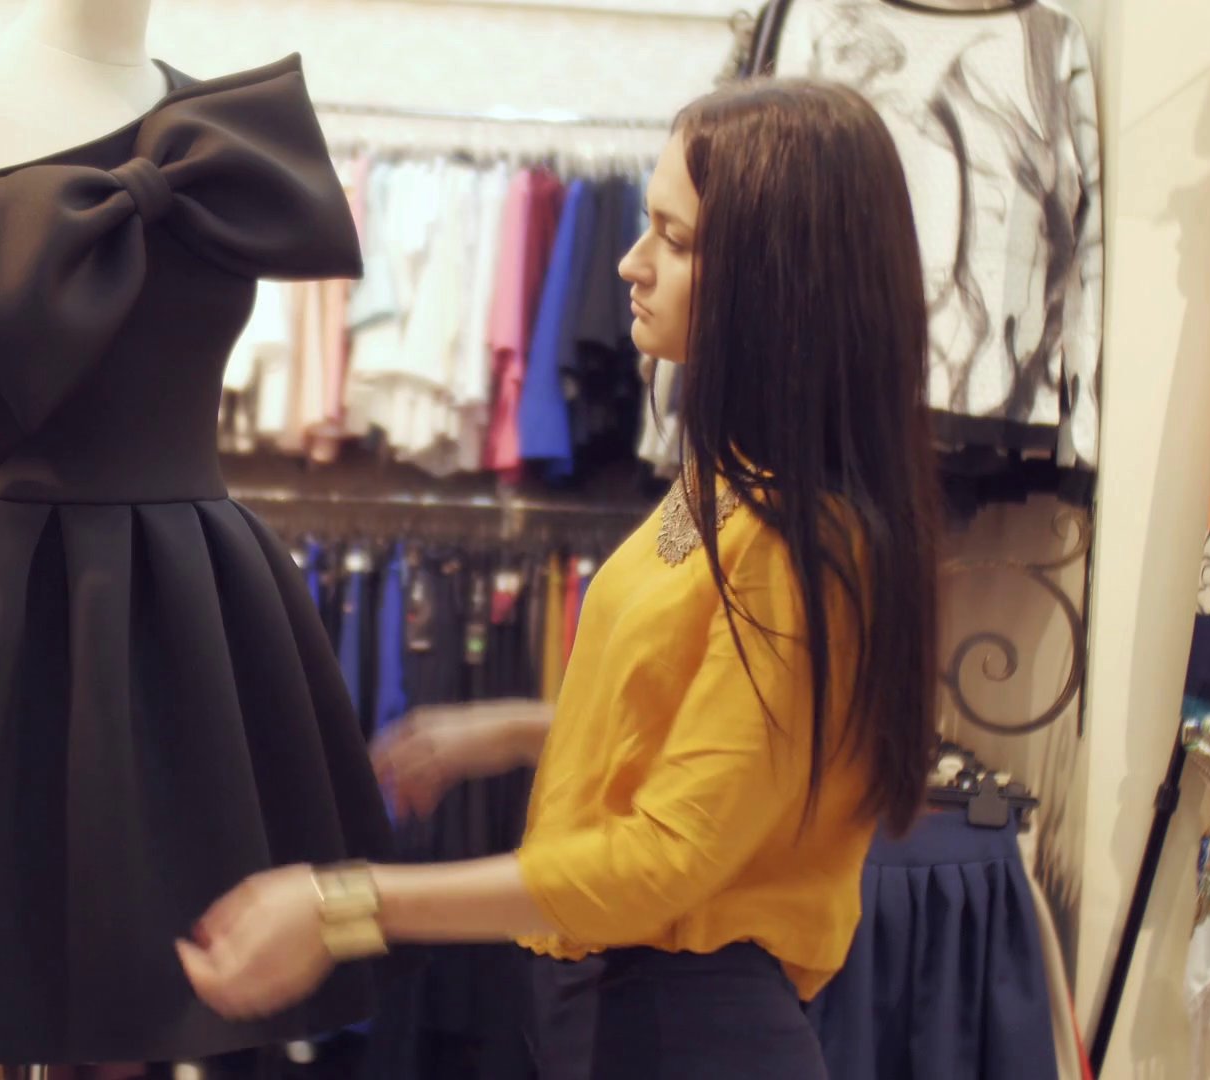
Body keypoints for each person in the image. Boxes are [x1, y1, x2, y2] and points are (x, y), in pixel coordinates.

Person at [175, 78, 942, 1080]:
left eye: (674, 239)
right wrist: (524, 730)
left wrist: (342, 906)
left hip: (687, 1031)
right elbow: (713, 745)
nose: (630, 262)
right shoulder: (729, 483)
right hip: (622, 1016)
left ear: (779, 280)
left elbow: (662, 861)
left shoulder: (803, 543)